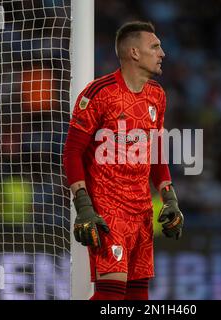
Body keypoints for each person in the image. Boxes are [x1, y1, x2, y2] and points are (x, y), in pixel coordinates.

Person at [63, 21, 184, 300]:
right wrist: (83, 205)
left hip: (141, 211)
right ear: (134, 52)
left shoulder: (157, 96)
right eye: (155, 46)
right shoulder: (99, 93)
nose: (162, 53)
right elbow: (72, 152)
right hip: (108, 210)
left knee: (138, 296)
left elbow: (156, 154)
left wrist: (170, 198)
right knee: (112, 296)